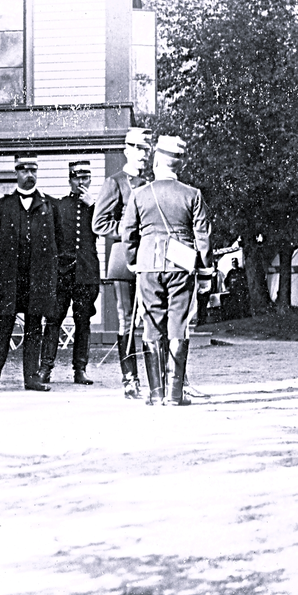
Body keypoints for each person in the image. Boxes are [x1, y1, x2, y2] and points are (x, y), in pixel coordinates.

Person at [121, 135, 211, 405]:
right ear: (178, 164)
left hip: (148, 265)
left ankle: (155, 393)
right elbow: (203, 238)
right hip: (181, 265)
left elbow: (128, 234)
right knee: (178, 325)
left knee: (151, 324)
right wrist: (205, 273)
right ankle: (174, 395)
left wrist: (133, 261)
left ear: (157, 160)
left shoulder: (139, 194)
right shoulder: (192, 194)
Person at [0, 154, 62, 392]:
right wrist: (7, 266)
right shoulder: (2, 206)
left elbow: (59, 244)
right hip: (11, 278)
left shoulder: (50, 206)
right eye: (24, 170)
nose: (29, 175)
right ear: (16, 173)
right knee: (3, 325)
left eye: (33, 170)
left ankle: (32, 378)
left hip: (38, 278)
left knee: (34, 326)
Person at [94, 127, 150, 399]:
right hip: (123, 262)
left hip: (149, 260)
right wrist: (129, 231)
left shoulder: (149, 184)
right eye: (138, 149)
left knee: (151, 319)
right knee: (126, 321)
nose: (143, 155)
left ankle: (157, 381)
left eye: (146, 149)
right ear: (126, 150)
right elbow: (99, 223)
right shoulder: (114, 182)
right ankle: (130, 380)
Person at [41, 161, 100, 386]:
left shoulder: (96, 207)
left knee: (83, 321)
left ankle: (80, 369)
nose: (81, 182)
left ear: (90, 180)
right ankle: (46, 368)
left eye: (85, 178)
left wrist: (93, 206)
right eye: (77, 178)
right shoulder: (59, 206)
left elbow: (104, 227)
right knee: (53, 319)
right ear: (70, 180)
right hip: (62, 273)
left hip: (86, 272)